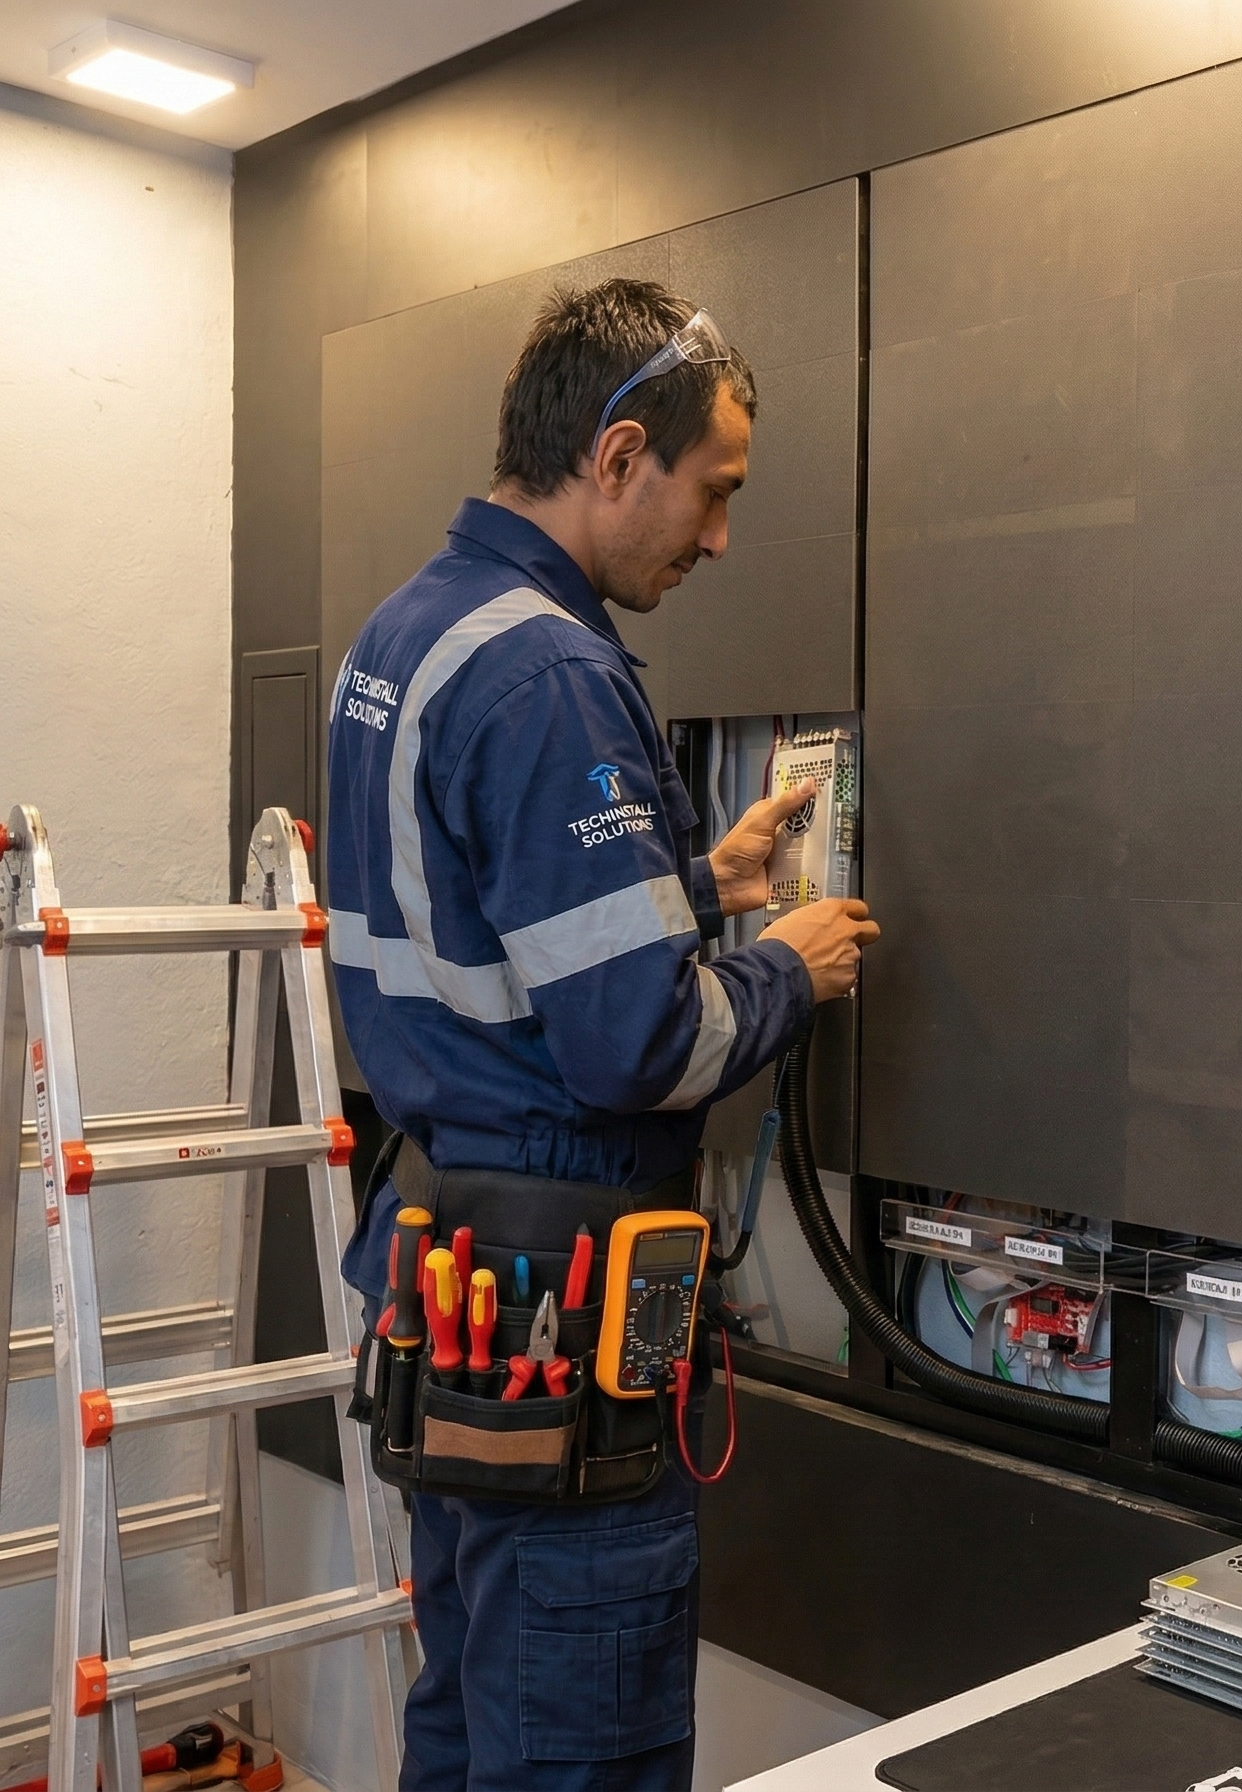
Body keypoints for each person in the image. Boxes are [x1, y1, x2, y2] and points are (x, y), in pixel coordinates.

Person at [324, 278, 877, 1790]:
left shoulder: (411, 630)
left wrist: (695, 884)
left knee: (473, 1719)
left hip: (453, 1264)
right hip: (559, 1305)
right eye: (713, 494)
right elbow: (634, 1049)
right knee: (580, 1748)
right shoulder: (556, 672)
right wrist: (784, 965)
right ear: (620, 455)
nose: (714, 540)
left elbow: (483, 936)